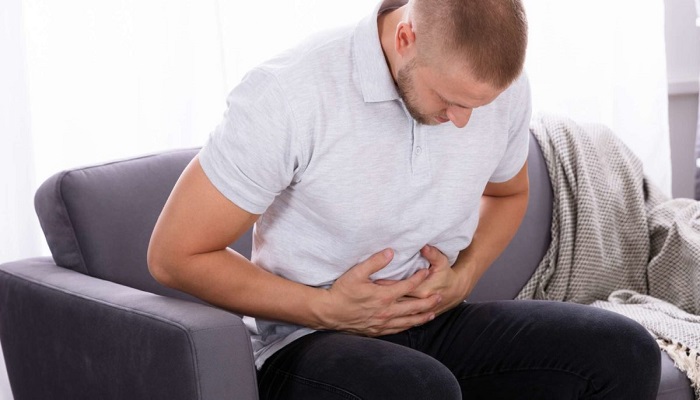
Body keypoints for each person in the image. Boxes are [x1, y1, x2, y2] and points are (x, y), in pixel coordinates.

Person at [148, 0, 662, 398]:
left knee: (624, 350)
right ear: (405, 37)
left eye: (478, 105)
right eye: (451, 101)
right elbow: (174, 255)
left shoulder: (494, 90)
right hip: (305, 339)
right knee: (418, 390)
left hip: (431, 321)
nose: (463, 121)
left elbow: (508, 192)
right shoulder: (288, 94)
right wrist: (327, 309)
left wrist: (464, 276)